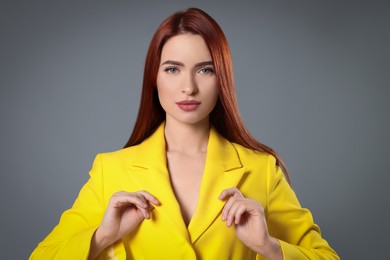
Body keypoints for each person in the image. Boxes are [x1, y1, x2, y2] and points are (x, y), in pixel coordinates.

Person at [30, 8, 339, 260]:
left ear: (223, 79)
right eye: (172, 69)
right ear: (154, 77)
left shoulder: (262, 170)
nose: (188, 87)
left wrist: (269, 247)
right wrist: (102, 237)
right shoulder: (109, 170)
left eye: (205, 69)